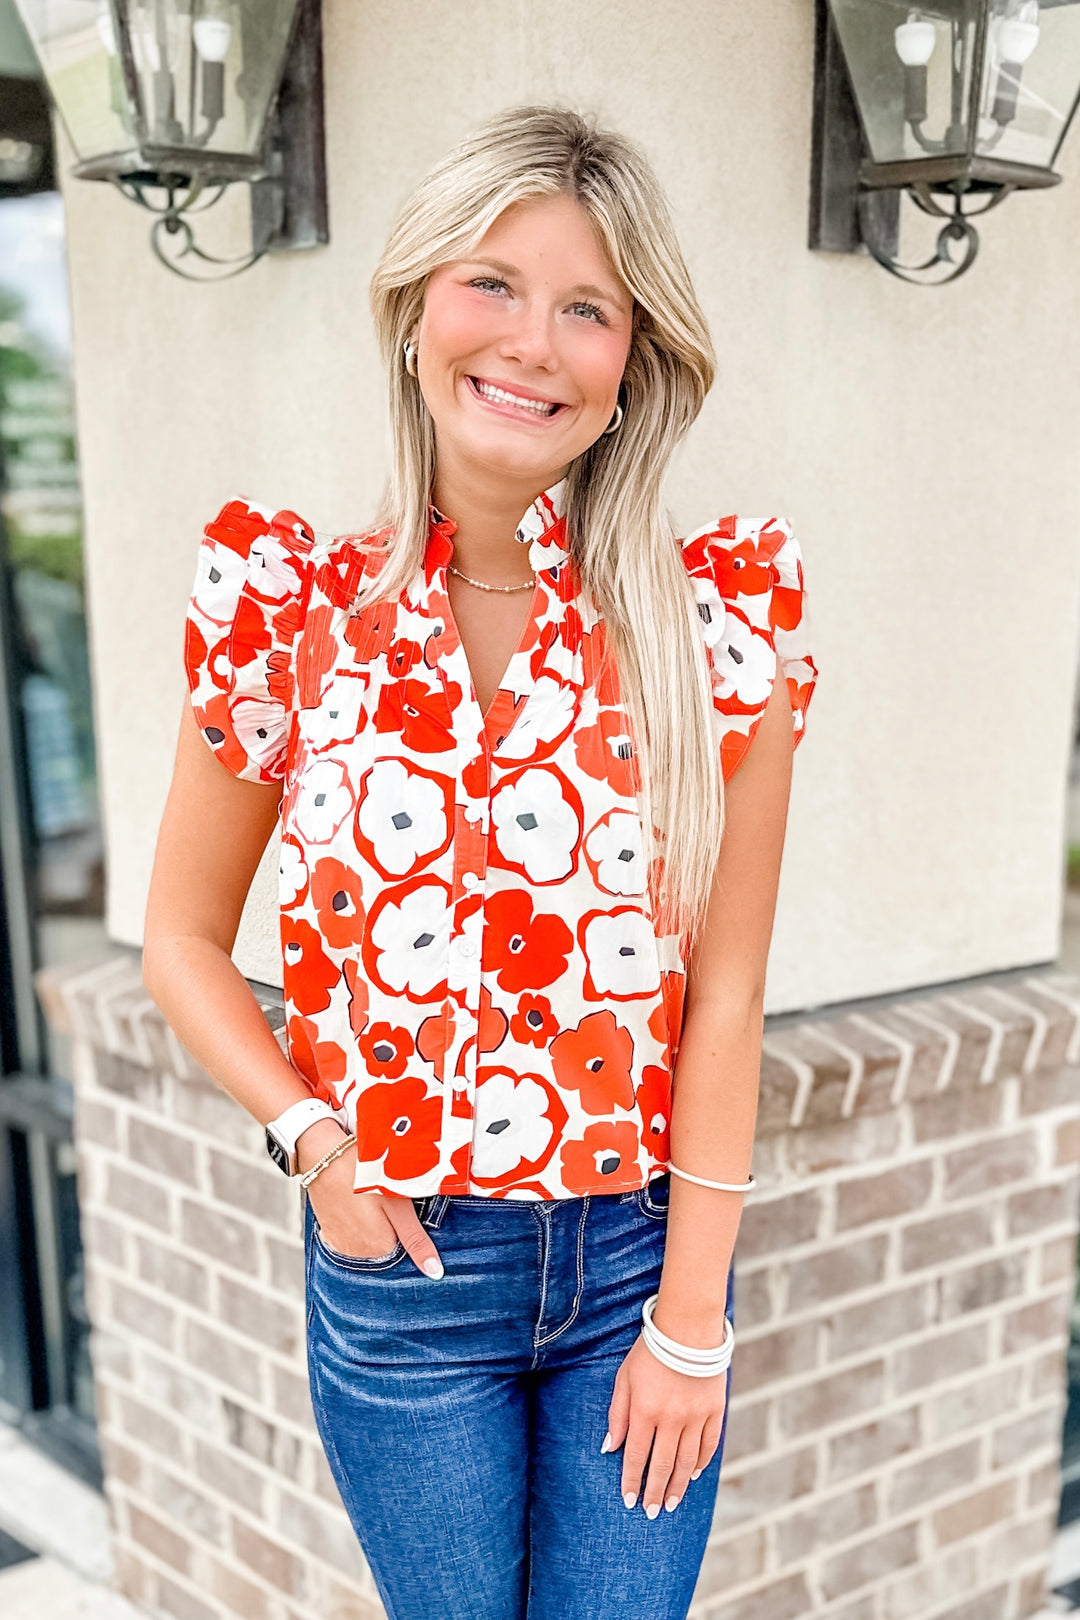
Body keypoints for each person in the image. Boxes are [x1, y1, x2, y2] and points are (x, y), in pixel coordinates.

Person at [144, 103, 817, 1620]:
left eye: (589, 307)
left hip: (640, 1265)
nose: (534, 342)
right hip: (406, 1280)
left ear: (632, 364)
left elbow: (729, 997)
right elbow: (181, 941)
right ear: (414, 310)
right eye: (493, 284)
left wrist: (693, 1318)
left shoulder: (716, 627)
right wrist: (313, 1150)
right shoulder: (287, 610)